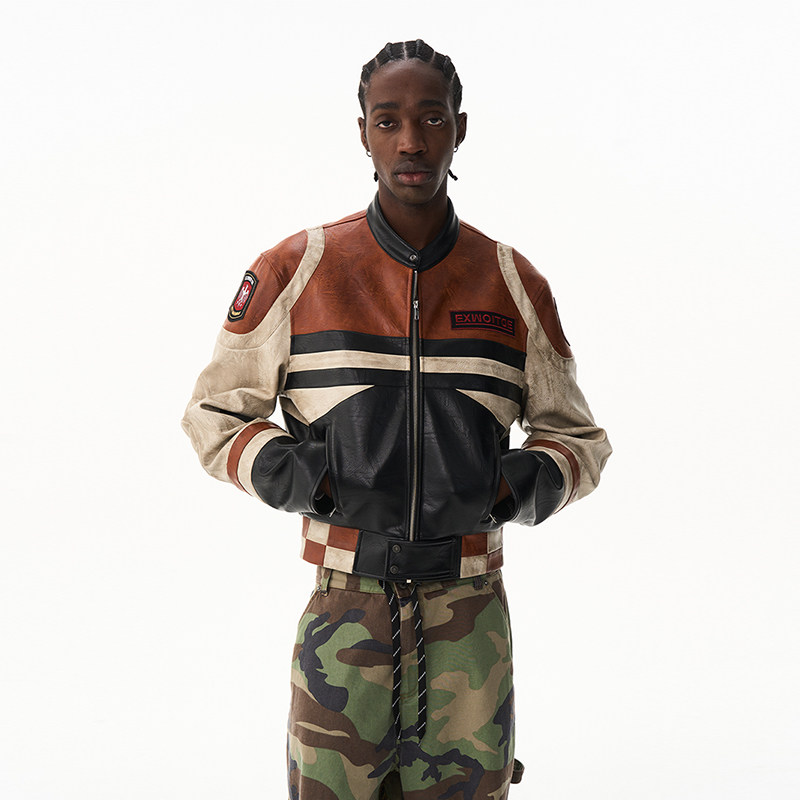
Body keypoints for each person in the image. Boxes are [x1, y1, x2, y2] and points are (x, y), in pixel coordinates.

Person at [182, 39, 611, 800]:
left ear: (459, 128)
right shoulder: (296, 269)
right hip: (344, 611)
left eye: (431, 118)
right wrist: (307, 476)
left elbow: (580, 439)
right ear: (363, 133)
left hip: (470, 619)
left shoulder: (512, 282)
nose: (411, 140)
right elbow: (213, 415)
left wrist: (511, 487)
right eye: (388, 121)